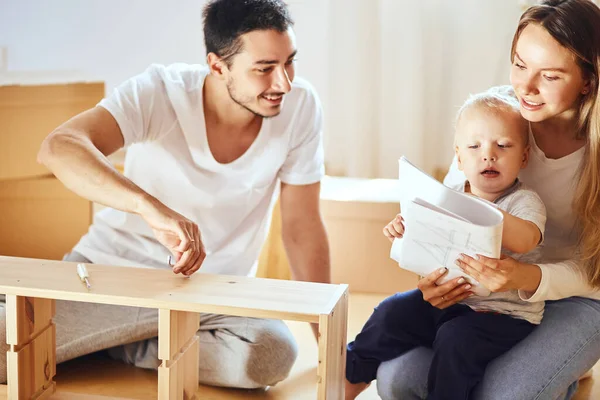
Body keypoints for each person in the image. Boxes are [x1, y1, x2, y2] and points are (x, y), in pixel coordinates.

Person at [0, 0, 331, 389]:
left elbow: (302, 227)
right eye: (265, 69)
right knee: (7, 358)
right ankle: (138, 340)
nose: (283, 83)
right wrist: (149, 208)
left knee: (269, 355)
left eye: (289, 62)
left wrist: (330, 345)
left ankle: (111, 346)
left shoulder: (301, 106)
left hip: (213, 296)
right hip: (112, 277)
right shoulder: (159, 92)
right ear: (217, 66)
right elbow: (58, 147)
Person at [376, 0, 600, 399]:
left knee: (507, 394)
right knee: (398, 381)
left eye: (549, 76)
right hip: (488, 299)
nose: (525, 89)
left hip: (578, 296)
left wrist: (525, 277)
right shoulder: (494, 118)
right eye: (519, 65)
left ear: (588, 80)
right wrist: (436, 281)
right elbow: (451, 218)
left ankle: (564, 370)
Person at [345, 88, 547, 400]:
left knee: (456, 340)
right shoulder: (449, 191)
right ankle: (352, 377)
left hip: (502, 317)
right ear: (459, 157)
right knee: (391, 312)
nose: (488, 154)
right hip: (450, 300)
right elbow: (424, 245)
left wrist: (476, 206)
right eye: (474, 146)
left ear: (523, 156)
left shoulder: (525, 201)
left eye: (503, 146)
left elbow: (526, 239)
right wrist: (404, 228)